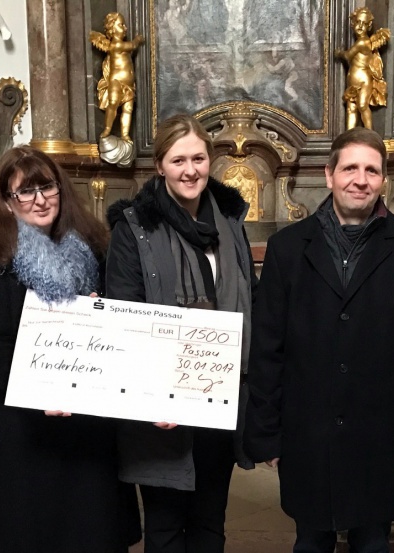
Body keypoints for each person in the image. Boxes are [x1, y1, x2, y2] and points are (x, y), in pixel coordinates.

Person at [244, 127, 394, 553]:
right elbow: (267, 349)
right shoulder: (287, 248)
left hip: (381, 438)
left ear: (383, 180)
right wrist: (267, 434)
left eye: (372, 170)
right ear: (329, 174)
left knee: (372, 541)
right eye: (350, 167)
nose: (361, 179)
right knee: (310, 541)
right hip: (307, 434)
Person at [0, 145, 138, 552]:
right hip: (25, 432)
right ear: (6, 202)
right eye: (25, 191)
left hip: (87, 427)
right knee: (37, 535)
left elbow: (122, 329)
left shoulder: (94, 248)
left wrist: (101, 315)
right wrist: (41, 386)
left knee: (95, 530)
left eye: (47, 187)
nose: (40, 199)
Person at [105, 114, 256, 553]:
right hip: (162, 411)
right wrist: (154, 395)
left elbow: (250, 300)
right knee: (166, 527)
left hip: (220, 397)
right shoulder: (134, 228)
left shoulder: (230, 222)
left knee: (210, 523)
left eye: (198, 158)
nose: (190, 170)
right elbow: (125, 318)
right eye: (178, 160)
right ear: (159, 165)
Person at [90, 12, 144, 142]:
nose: (125, 28)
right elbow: (132, 46)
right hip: (117, 83)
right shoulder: (116, 45)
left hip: (129, 85)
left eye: (124, 25)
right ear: (112, 29)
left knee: (128, 109)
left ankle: (125, 135)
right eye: (121, 25)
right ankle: (107, 129)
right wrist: (138, 39)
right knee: (113, 104)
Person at [335, 7, 390, 130]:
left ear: (369, 26)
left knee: (362, 105)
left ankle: (370, 133)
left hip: (364, 80)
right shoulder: (360, 41)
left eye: (364, 24)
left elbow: (348, 56)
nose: (360, 26)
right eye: (358, 22)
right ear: (353, 23)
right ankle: (348, 136)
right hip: (353, 80)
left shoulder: (362, 43)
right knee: (351, 107)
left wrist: (338, 53)